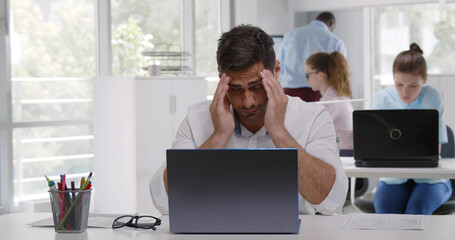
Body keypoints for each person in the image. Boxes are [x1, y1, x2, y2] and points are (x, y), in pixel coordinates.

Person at [149, 25, 348, 215]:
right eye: (236, 89)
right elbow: (163, 201)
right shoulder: (196, 120)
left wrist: (279, 131)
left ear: (276, 71)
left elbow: (332, 200)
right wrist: (218, 137)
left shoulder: (312, 118)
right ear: (221, 80)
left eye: (256, 86)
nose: (248, 102)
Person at [372, 43, 453, 215]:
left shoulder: (432, 96)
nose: (404, 92)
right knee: (386, 214)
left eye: (413, 86)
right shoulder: (382, 98)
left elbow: (435, 147)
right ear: (393, 78)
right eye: (399, 84)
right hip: (393, 178)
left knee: (415, 212)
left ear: (424, 79)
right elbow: (377, 146)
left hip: (430, 179)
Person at [278, 11, 347, 102]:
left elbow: (279, 66)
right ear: (331, 24)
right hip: (317, 93)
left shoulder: (289, 36)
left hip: (289, 92)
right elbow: (340, 73)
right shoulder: (335, 41)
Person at [305, 51, 354, 155]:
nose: (307, 80)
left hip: (345, 153)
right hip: (345, 151)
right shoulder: (337, 96)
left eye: (308, 75)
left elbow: (311, 132)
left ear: (320, 75)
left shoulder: (331, 101)